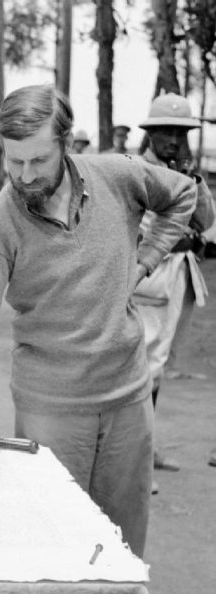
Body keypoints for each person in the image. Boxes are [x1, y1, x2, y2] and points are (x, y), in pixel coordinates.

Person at [0, 84, 196, 558]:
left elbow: (182, 196)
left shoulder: (117, 175)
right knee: (54, 552)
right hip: (51, 412)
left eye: (38, 160)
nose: (24, 175)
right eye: (14, 161)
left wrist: (143, 262)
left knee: (122, 552)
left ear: (65, 143)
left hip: (129, 401)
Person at [133, 93, 215, 475]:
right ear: (150, 133)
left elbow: (207, 220)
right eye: (165, 131)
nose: (173, 139)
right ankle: (134, 457)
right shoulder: (137, 168)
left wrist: (192, 178)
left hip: (181, 268)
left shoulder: (184, 171)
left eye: (180, 132)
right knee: (143, 364)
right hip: (151, 269)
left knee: (159, 364)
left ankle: (145, 449)